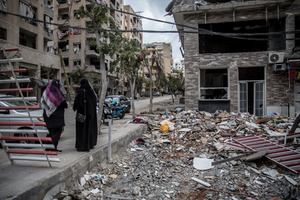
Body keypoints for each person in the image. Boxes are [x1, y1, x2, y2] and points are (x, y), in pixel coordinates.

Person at [41, 79, 68, 152]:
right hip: (57, 118)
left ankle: (48, 148)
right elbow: (64, 103)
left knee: (50, 133)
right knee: (56, 133)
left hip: (47, 116)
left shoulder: (45, 92)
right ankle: (53, 148)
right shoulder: (57, 93)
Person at [73, 78, 98, 152]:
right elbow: (94, 103)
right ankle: (90, 144)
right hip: (91, 116)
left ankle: (82, 146)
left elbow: (77, 104)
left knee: (82, 131)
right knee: (89, 130)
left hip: (82, 115)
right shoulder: (91, 92)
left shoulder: (81, 92)